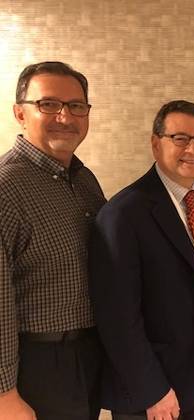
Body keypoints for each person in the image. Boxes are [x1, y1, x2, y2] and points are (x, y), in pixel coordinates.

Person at [89, 100, 194, 419]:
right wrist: (152, 390)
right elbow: (117, 317)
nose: (193, 148)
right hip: (153, 393)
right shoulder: (122, 214)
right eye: (180, 138)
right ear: (155, 143)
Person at [0, 61, 106, 420]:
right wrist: (4, 394)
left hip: (88, 354)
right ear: (20, 113)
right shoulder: (6, 187)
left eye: (77, 106)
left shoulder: (84, 180)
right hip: (36, 365)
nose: (65, 116)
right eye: (48, 104)